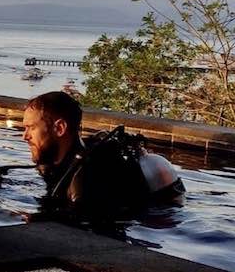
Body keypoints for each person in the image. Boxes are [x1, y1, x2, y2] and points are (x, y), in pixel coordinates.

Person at [22, 91, 183, 220]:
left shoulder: (88, 177)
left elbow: (87, 218)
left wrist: (39, 219)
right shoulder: (61, 165)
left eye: (31, 128)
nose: (25, 136)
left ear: (60, 128)